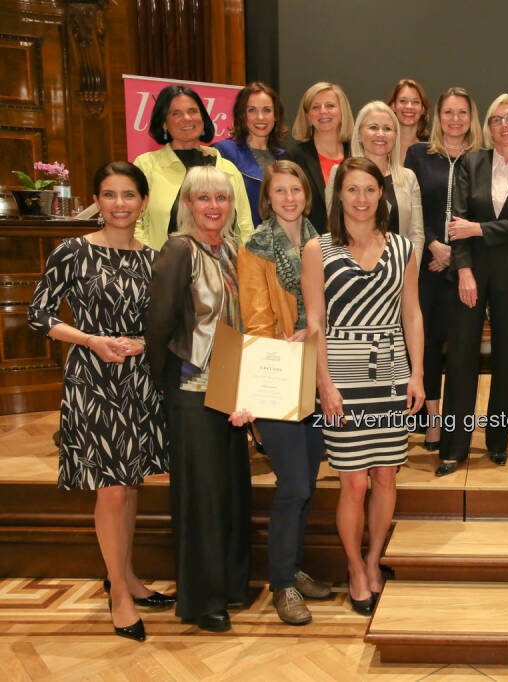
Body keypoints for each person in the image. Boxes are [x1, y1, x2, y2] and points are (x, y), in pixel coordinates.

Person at [28, 161, 172, 642]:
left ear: (143, 202)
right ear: (96, 200)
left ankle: (125, 575)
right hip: (93, 379)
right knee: (111, 489)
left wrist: (143, 343)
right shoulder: (73, 251)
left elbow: (165, 325)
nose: (119, 204)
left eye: (129, 195)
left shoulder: (155, 260)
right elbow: (39, 315)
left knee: (130, 485)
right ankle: (119, 596)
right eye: (109, 195)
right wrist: (90, 340)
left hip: (139, 380)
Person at [301, 157, 425, 615]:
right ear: (339, 195)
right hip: (342, 375)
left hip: (391, 373)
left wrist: (417, 373)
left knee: (386, 475)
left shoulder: (402, 248)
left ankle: (374, 560)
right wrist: (324, 383)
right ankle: (354, 568)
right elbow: (315, 321)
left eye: (370, 189)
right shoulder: (318, 249)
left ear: (381, 195)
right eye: (352, 189)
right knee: (353, 482)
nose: (361, 198)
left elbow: (412, 313)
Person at [146, 166, 253, 633]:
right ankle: (202, 600)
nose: (214, 206)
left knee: (230, 490)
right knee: (201, 496)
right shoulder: (179, 249)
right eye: (203, 198)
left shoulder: (230, 250)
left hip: (230, 386)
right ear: (187, 203)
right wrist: (163, 386)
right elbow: (159, 323)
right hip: (190, 390)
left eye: (221, 198)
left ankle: (230, 585)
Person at [435, 94, 508, 476]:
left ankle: (498, 442)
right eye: (497, 118)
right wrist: (464, 271)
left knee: (506, 360)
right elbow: (458, 223)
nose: (504, 124)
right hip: (470, 272)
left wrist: (480, 229)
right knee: (461, 358)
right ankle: (454, 447)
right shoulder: (472, 163)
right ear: (488, 127)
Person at [236, 160, 331, 625]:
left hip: (319, 372)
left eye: (296, 189)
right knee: (292, 484)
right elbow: (255, 321)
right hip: (278, 372)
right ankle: (281, 585)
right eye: (280, 191)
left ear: (307, 196)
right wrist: (285, 347)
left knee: (307, 483)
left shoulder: (324, 244)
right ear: (267, 199)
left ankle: (292, 568)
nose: (289, 198)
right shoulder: (255, 248)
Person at [404, 87, 483, 450]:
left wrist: (457, 252)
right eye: (448, 112)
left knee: (463, 347)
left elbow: (486, 212)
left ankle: (457, 424)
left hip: (468, 266)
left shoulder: (482, 158)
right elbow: (411, 205)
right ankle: (433, 420)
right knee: (430, 342)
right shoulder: (418, 154)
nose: (455, 119)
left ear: (471, 117)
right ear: (437, 117)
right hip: (427, 264)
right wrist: (435, 243)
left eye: (462, 112)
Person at [134, 84, 254, 250]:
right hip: (164, 264)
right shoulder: (146, 165)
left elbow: (245, 228)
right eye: (176, 113)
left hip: (223, 264)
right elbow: (135, 224)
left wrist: (247, 263)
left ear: (203, 118)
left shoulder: (228, 169)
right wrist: (150, 260)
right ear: (164, 123)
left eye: (193, 111)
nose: (187, 118)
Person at [328, 101, 424, 265]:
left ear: (395, 136)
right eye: (373, 127)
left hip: (398, 272)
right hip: (350, 270)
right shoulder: (339, 173)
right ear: (359, 134)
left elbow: (416, 235)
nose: (381, 134)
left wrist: (409, 273)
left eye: (387, 129)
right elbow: (334, 227)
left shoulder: (408, 178)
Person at [214, 82, 289, 226]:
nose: (260, 117)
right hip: (241, 237)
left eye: (267, 110)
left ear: (276, 116)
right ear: (242, 115)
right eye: (252, 110)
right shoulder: (225, 152)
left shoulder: (285, 157)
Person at [286, 82, 355, 233]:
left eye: (330, 105)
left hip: (357, 242)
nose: (323, 111)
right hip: (312, 243)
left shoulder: (358, 153)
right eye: (315, 107)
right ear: (308, 116)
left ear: (342, 111)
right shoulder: (294, 158)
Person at [386, 78, 430, 164]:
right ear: (393, 106)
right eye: (403, 101)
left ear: (423, 109)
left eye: (416, 102)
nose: (409, 106)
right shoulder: (381, 143)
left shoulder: (431, 149)